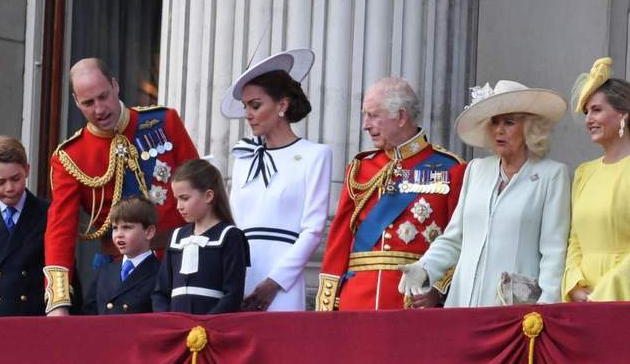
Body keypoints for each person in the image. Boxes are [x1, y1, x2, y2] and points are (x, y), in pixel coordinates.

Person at [44, 58, 199, 315]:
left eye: (103, 96)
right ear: (75, 102)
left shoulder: (164, 123)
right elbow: (60, 232)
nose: (99, 109)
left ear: (115, 86)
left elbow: (202, 193)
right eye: (88, 103)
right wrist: (58, 302)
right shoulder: (70, 157)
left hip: (178, 261)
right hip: (120, 275)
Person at [398, 80, 570, 307]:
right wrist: (424, 267)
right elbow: (454, 239)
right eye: (495, 122)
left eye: (509, 123)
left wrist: (545, 309)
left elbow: (553, 252)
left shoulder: (552, 175)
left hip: (515, 309)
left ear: (529, 128)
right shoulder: (477, 170)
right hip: (463, 303)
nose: (499, 130)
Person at [316, 77, 465, 311]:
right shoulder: (360, 168)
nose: (365, 124)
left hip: (412, 299)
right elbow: (339, 241)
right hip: (356, 301)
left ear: (402, 116)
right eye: (365, 115)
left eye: (374, 115)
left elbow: (461, 240)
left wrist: (438, 291)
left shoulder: (451, 168)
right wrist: (328, 304)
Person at [221, 49, 332, 311]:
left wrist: (275, 281)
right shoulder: (243, 157)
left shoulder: (314, 155)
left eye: (256, 105)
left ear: (281, 105)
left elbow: (313, 230)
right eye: (246, 106)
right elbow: (231, 222)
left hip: (283, 283)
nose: (248, 114)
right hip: (240, 274)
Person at [563, 57, 630, 302]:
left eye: (597, 110)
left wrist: (603, 294)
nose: (588, 119)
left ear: (623, 115)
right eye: (586, 112)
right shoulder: (584, 173)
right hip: (583, 303)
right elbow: (574, 241)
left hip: (623, 298)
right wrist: (574, 286)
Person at [153, 159, 249, 314]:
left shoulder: (230, 236)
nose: (179, 206)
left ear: (208, 196)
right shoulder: (176, 236)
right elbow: (161, 292)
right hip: (175, 326)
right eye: (177, 199)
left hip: (212, 327)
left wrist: (205, 324)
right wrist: (167, 320)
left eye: (185, 198)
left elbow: (233, 294)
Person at [0, 135, 48, 316]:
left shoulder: (47, 213)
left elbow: (61, 271)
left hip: (32, 318)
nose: (9, 188)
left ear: (27, 170)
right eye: (0, 182)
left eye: (16, 179)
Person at [83, 196, 159, 314]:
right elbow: (88, 315)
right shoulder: (105, 272)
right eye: (115, 228)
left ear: (149, 232)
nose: (119, 235)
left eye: (126, 227)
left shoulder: (161, 272)